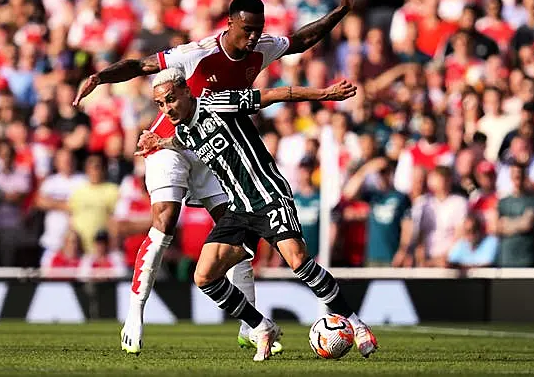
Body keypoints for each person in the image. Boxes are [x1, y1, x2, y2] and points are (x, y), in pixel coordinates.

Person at [73, 0, 359, 355]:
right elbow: (141, 67)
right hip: (169, 142)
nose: (253, 37)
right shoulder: (197, 53)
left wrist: (340, 10)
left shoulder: (264, 47)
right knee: (165, 219)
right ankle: (136, 312)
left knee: (235, 223)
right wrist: (99, 77)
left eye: (258, 30)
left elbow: (302, 40)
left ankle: (252, 324)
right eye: (246, 30)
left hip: (215, 149)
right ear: (230, 24)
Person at [135, 69, 376, 362]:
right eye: (160, 104)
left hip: (268, 196)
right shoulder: (184, 131)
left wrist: (324, 94)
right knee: (204, 276)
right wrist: (159, 143)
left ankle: (358, 325)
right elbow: (184, 142)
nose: (167, 108)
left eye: (171, 99)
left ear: (187, 92)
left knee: (298, 261)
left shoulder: (218, 104)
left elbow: (275, 95)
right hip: (238, 208)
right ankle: (261, 326)